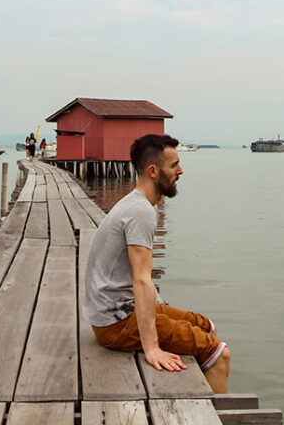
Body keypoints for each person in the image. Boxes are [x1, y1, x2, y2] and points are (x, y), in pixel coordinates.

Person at [84, 134, 230, 393]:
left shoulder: (134, 204)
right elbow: (141, 280)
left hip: (118, 312)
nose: (180, 171)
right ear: (153, 171)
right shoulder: (141, 212)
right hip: (117, 322)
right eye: (174, 165)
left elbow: (140, 280)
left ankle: (200, 381)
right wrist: (152, 348)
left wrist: (161, 309)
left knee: (205, 325)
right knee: (220, 353)